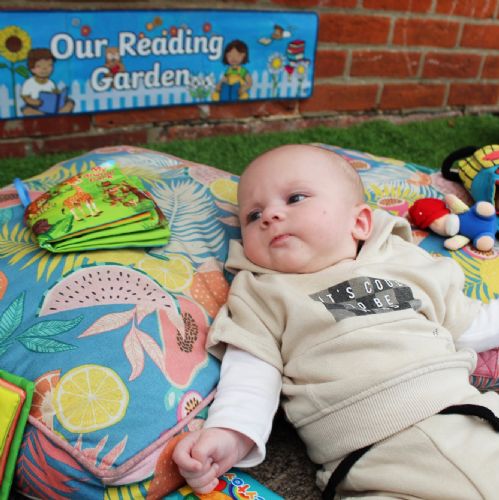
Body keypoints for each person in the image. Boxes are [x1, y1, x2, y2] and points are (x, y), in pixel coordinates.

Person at [173, 144, 499, 498]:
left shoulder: (402, 261)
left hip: (467, 416)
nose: (269, 216)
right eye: (253, 216)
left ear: (358, 222)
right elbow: (252, 374)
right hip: (372, 460)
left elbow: (469, 325)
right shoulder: (261, 294)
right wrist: (229, 434)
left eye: (295, 198)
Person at [21, 48, 74, 116]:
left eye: (49, 65)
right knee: (27, 110)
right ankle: (44, 116)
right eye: (39, 66)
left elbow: (54, 95)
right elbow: (26, 98)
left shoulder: (50, 83)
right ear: (32, 68)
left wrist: (59, 94)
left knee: (70, 102)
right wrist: (34, 102)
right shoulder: (28, 83)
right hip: (36, 107)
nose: (44, 69)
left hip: (51, 107)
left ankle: (59, 114)